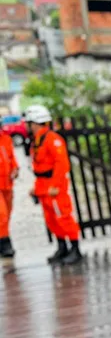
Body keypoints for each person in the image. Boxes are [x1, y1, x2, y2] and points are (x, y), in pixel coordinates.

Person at [24, 105, 82, 265]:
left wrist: (55, 185)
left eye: (29, 123)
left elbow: (62, 164)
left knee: (63, 217)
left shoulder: (52, 139)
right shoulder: (37, 141)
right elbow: (39, 167)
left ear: (35, 123)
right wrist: (35, 188)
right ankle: (62, 247)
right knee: (51, 219)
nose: (27, 126)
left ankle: (75, 249)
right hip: (43, 185)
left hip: (54, 186)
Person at [0, 129, 18, 258]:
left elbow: (11, 157)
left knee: (8, 212)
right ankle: (5, 243)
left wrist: (15, 168)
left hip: (7, 183)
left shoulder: (6, 139)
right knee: (2, 214)